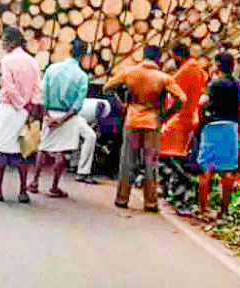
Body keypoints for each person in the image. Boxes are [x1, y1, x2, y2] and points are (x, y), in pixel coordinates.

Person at [103, 45, 186, 212]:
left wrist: (123, 103)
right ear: (158, 59)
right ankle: (150, 203)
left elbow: (107, 87)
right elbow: (182, 98)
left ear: (144, 56)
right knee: (151, 163)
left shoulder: (130, 72)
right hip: (152, 121)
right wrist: (165, 114)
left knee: (127, 161)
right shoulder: (163, 78)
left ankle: (122, 198)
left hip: (132, 119)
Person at [0, 26, 41, 203]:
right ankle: (23, 190)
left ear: (12, 42)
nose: (3, 45)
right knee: (23, 150)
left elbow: (8, 86)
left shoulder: (7, 61)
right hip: (26, 110)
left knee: (2, 148)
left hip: (10, 108)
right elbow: (37, 87)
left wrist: (19, 103)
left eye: (4, 41)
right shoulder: (33, 61)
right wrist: (31, 105)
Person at [28, 39, 89, 198]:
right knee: (61, 151)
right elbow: (78, 104)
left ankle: (34, 181)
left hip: (51, 113)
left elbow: (44, 94)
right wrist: (61, 119)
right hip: (67, 117)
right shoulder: (82, 76)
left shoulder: (52, 69)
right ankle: (54, 186)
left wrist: (47, 114)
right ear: (84, 55)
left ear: (69, 50)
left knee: (44, 146)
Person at [160, 42, 208, 215]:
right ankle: (173, 191)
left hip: (180, 117)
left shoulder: (185, 71)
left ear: (177, 55)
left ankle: (180, 193)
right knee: (176, 155)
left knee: (167, 155)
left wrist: (164, 116)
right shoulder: (200, 71)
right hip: (191, 117)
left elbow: (176, 97)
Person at [197, 53, 240, 216]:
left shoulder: (214, 85)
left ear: (218, 66)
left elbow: (204, 105)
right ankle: (224, 210)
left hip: (212, 126)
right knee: (228, 169)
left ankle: (202, 208)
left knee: (206, 167)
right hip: (230, 126)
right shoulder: (239, 85)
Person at [74, 98, 110, 184]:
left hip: (78, 116)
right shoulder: (97, 107)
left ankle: (81, 170)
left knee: (90, 138)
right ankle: (82, 173)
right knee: (91, 137)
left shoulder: (96, 110)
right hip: (75, 115)